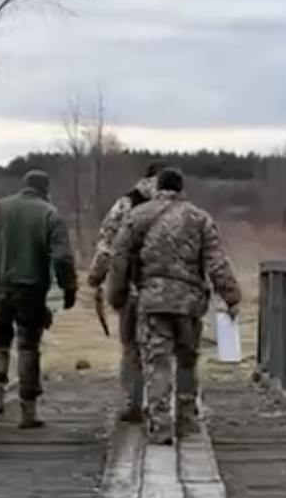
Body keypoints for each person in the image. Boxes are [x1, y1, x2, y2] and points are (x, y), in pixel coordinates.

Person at [104, 167, 243, 444]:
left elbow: (119, 258)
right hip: (189, 303)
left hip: (152, 301)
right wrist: (231, 296)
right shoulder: (199, 218)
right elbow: (216, 262)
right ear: (181, 190)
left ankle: (160, 424)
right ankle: (188, 419)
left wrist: (116, 295)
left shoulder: (137, 216)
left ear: (157, 187)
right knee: (187, 361)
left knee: (157, 362)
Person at [0, 170, 77, 426]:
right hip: (31, 289)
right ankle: (28, 411)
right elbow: (62, 257)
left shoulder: (0, 208)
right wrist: (69, 288)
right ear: (46, 189)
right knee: (28, 347)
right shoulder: (49, 214)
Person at [86, 162, 165, 422]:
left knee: (131, 347)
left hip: (131, 288)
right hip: (166, 290)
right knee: (164, 348)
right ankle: (165, 406)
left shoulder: (126, 204)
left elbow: (107, 244)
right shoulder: (178, 207)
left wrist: (96, 277)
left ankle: (133, 401)